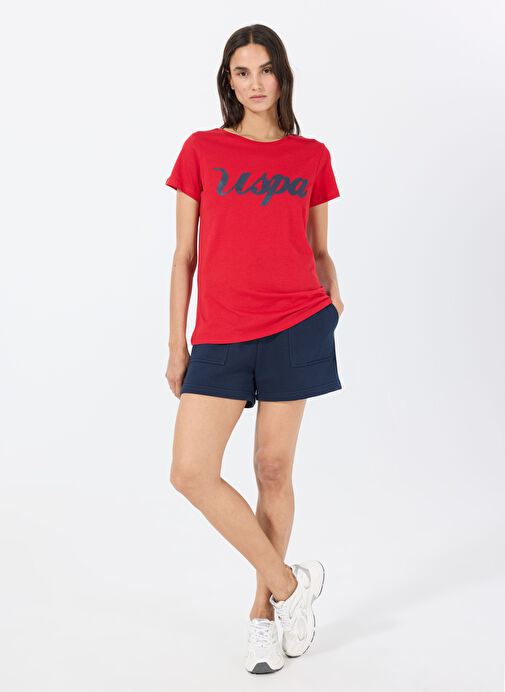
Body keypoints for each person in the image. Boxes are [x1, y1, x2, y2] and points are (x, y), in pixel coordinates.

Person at [164, 23, 344, 675]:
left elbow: (319, 249)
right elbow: (183, 257)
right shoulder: (202, 150)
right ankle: (292, 586)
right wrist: (176, 344)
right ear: (228, 81)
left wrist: (333, 302)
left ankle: (263, 616)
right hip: (219, 332)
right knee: (190, 472)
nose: (255, 82)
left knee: (272, 468)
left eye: (265, 69)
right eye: (242, 72)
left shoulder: (310, 156)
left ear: (281, 76)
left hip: (297, 324)